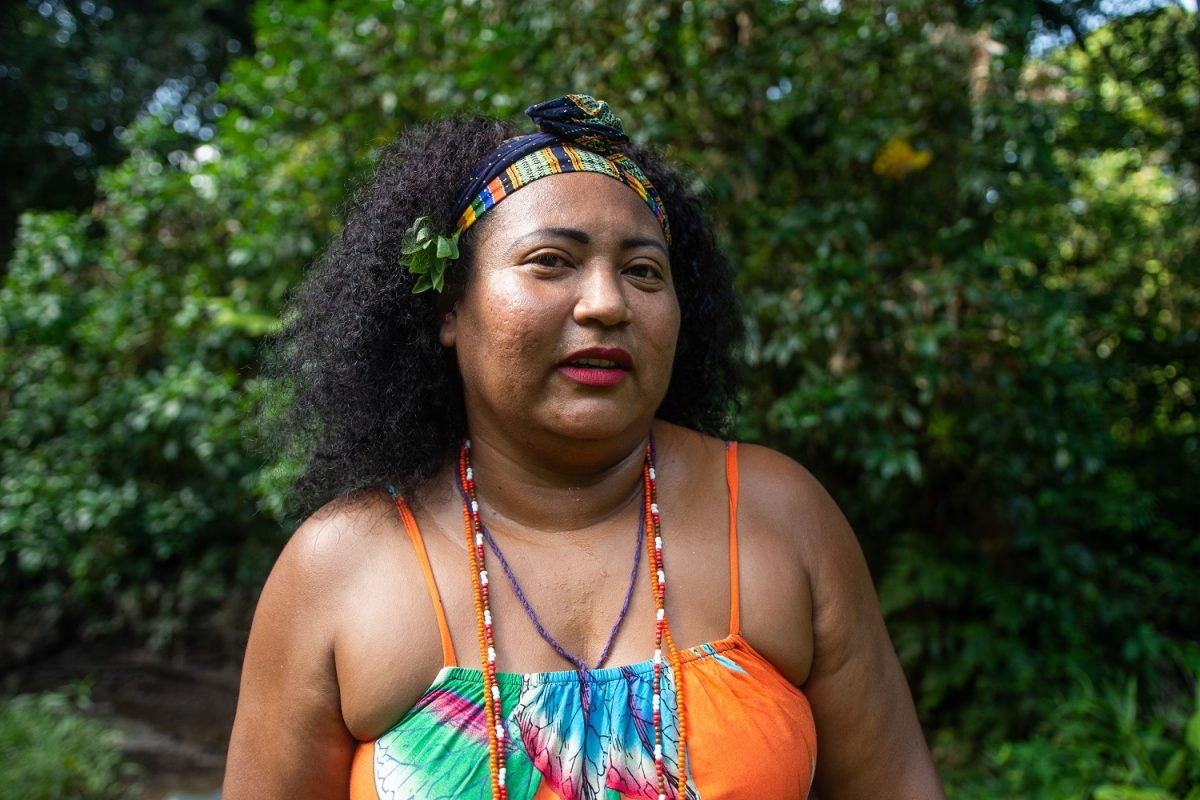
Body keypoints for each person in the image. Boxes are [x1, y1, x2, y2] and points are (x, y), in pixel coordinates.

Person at [222, 94, 945, 800]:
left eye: (642, 271)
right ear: (449, 308)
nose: (606, 302)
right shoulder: (340, 565)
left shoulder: (778, 517)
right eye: (550, 261)